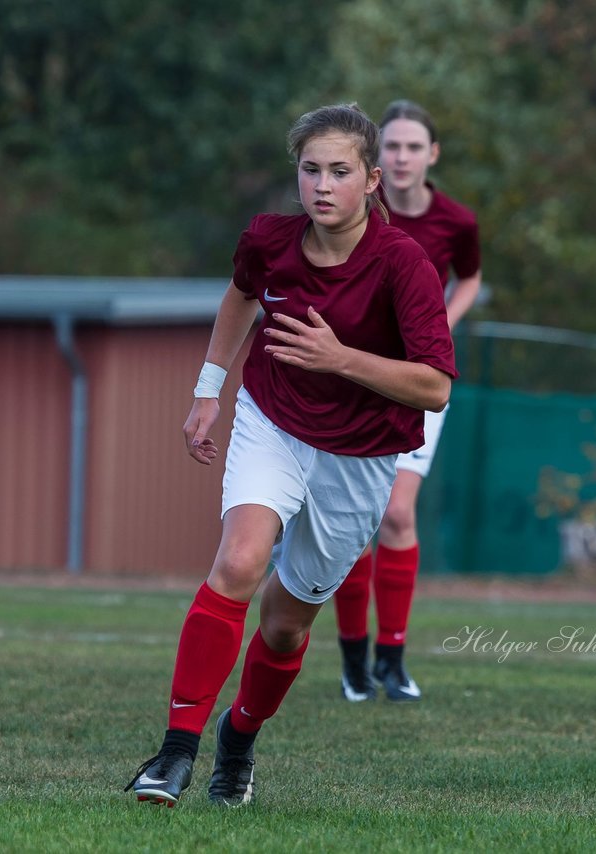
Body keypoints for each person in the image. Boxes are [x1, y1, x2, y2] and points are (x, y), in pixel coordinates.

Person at [124, 103, 456, 809]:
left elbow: (433, 386)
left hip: (361, 458)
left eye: (340, 171)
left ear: (372, 181)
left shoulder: (405, 264)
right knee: (239, 560)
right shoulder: (269, 241)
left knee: (284, 623)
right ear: (296, 175)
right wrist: (208, 390)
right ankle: (175, 752)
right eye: (311, 170)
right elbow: (241, 297)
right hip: (271, 420)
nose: (323, 185)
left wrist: (342, 359)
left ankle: (238, 739)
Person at [332, 99, 482, 703]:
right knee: (352, 526)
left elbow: (469, 276)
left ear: (432, 154)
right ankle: (353, 662)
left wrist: (440, 321)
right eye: (390, 146)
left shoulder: (457, 222)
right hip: (354, 378)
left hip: (418, 380)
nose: (400, 157)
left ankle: (393, 661)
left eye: (412, 146)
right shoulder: (356, 211)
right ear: (375, 156)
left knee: (396, 514)